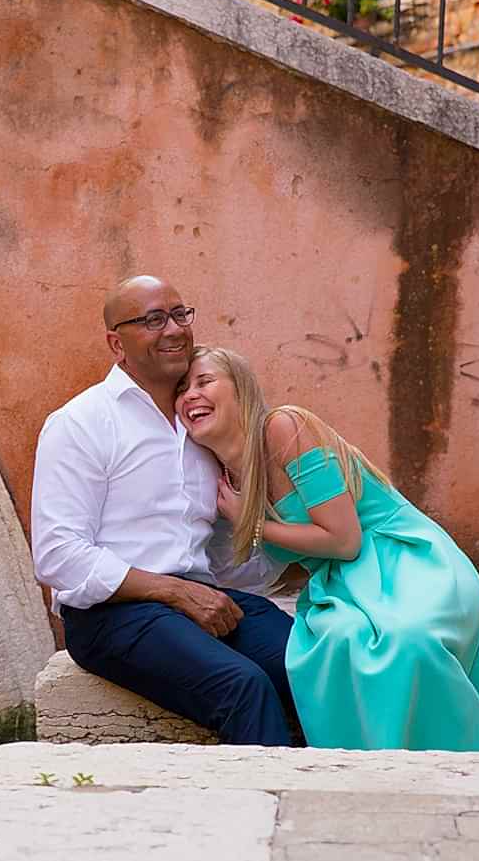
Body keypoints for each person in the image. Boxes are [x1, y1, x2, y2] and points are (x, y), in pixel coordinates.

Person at [176, 345, 479, 751]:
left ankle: (455, 760)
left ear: (240, 389)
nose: (190, 395)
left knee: (407, 641)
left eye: (204, 381)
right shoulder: (226, 481)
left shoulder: (283, 427)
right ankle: (363, 766)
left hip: (405, 560)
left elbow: (345, 540)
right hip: (341, 583)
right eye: (182, 388)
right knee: (336, 641)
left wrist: (252, 522)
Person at [30, 275, 297, 746]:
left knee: (310, 663)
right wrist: (172, 592)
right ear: (117, 343)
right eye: (153, 320)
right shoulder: (80, 423)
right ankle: (260, 814)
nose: (174, 329)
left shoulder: (199, 423)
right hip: (112, 614)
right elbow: (57, 556)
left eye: (180, 314)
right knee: (242, 687)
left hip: (197, 599)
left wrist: (250, 499)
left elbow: (233, 567)